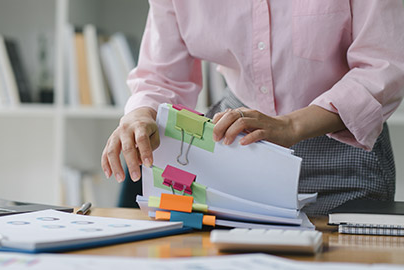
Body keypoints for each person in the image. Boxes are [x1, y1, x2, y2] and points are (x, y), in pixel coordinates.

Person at [102, 1, 404, 215]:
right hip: (234, 143)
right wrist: (141, 113)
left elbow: (384, 66)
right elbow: (160, 74)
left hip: (340, 148)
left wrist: (292, 125)